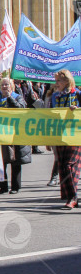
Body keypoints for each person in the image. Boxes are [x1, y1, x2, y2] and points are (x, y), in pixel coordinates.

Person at [0, 78, 31, 194]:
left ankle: (15, 187)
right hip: (1, 133)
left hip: (15, 132)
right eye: (2, 85)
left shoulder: (17, 97)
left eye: (7, 84)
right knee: (1, 161)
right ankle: (3, 186)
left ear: (11, 86)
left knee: (16, 160)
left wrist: (10, 98)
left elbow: (21, 109)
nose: (4, 87)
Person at [49, 69, 81, 209]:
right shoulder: (55, 96)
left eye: (58, 81)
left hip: (75, 135)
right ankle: (70, 197)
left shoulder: (78, 94)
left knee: (68, 164)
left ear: (67, 81)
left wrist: (77, 109)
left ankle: (73, 196)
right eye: (55, 81)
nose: (56, 84)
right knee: (62, 166)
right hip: (60, 135)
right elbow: (49, 116)